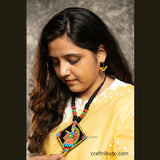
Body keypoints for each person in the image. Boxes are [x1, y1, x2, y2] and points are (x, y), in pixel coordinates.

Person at [27, 7, 134, 160]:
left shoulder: (130, 105)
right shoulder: (50, 102)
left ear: (100, 54)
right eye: (55, 62)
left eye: (73, 60)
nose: (63, 71)